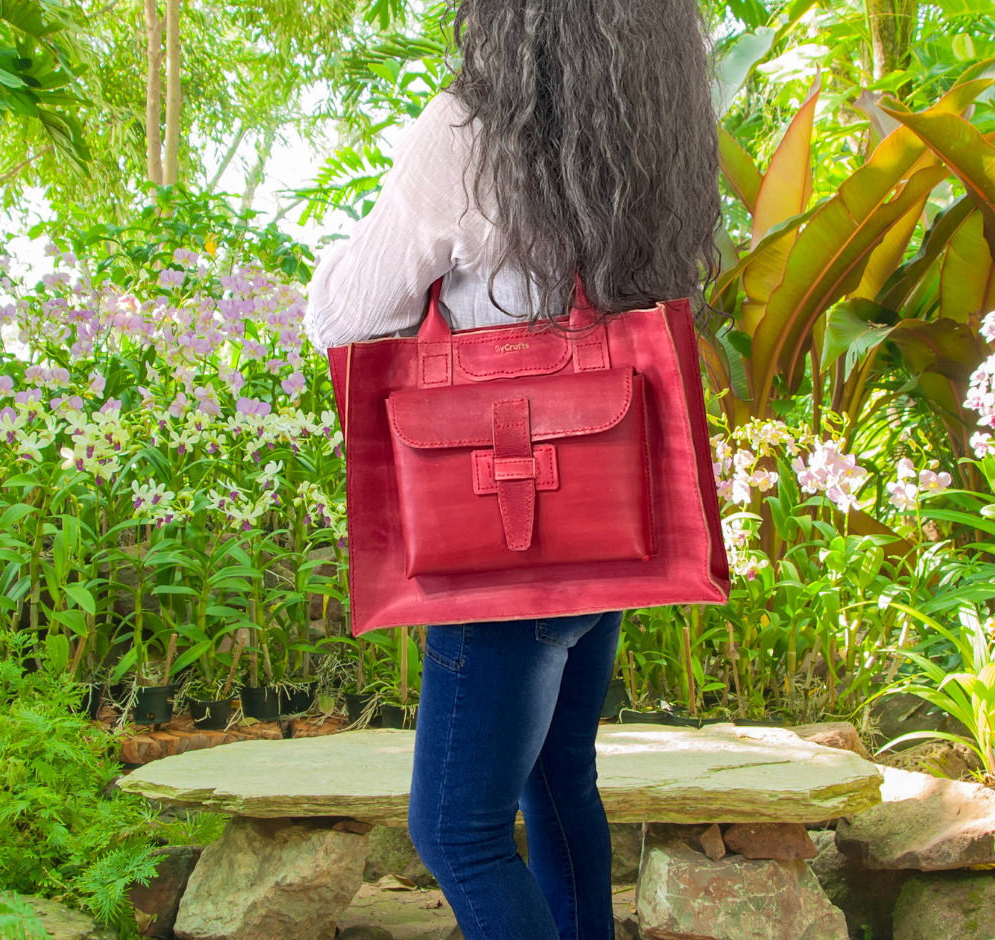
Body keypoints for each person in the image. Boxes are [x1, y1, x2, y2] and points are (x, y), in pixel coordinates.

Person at [304, 1, 721, 937]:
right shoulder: (654, 124)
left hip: (497, 547)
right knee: (558, 786)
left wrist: (333, 265)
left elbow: (349, 311)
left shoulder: (466, 130)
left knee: (456, 829)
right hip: (600, 520)